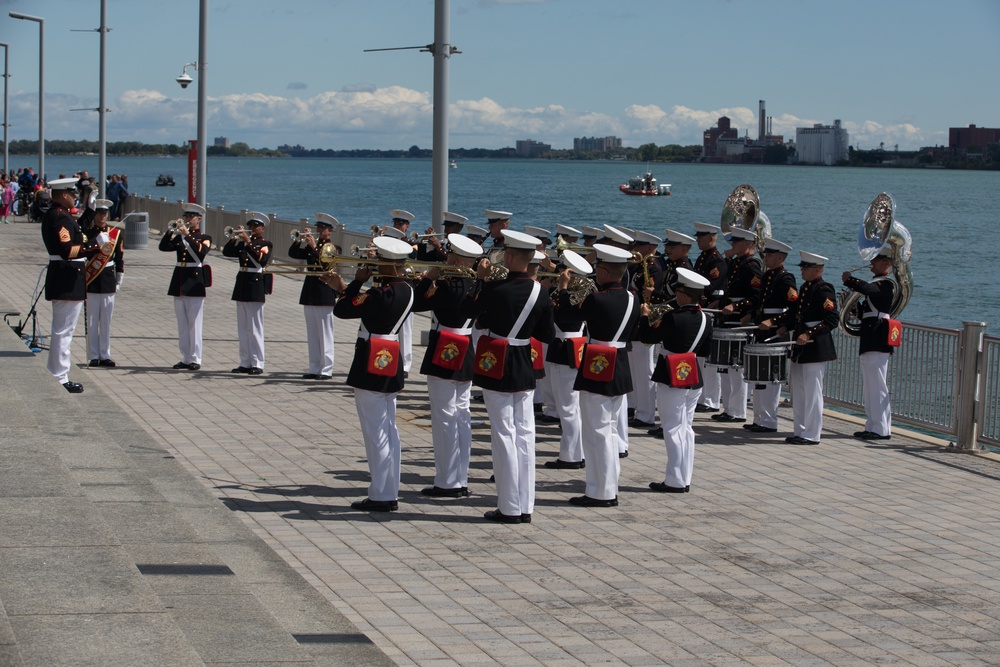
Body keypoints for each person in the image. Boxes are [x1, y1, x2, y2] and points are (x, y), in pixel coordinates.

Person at [463, 229, 554, 524]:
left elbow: (469, 312)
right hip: (524, 361)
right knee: (525, 433)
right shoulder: (542, 291)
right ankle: (525, 504)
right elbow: (546, 334)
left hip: (498, 361)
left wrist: (479, 278)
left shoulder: (494, 288)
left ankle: (509, 506)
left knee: (503, 433)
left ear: (511, 256)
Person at [324, 236, 416, 512]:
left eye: (378, 262)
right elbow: (363, 306)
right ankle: (388, 490)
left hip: (371, 359)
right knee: (389, 428)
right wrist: (348, 287)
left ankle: (381, 495)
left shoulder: (379, 293)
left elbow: (342, 310)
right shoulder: (407, 290)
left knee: (375, 431)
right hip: (391, 356)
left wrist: (352, 283)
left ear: (386, 265)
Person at [559, 243, 639, 508]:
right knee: (610, 429)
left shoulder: (597, 298)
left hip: (599, 363)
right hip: (621, 365)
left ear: (604, 271)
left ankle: (601, 492)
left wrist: (562, 289)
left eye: (598, 268)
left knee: (597, 431)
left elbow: (566, 316)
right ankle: (608, 484)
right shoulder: (632, 298)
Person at [412, 234, 484, 498]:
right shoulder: (478, 286)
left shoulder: (446, 285)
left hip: (444, 347)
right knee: (462, 415)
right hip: (466, 349)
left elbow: (417, 303)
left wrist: (429, 278)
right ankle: (460, 478)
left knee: (443, 417)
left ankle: (446, 481)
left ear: (454, 258)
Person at [639, 267, 713, 493]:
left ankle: (675, 480)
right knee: (686, 429)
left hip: (671, 373)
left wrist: (644, 316)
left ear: (683, 294)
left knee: (672, 428)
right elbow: (705, 350)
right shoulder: (706, 319)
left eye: (678, 291)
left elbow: (647, 338)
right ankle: (683, 477)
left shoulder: (673, 316)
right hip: (692, 374)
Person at [766, 251, 839, 445]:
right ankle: (800, 430)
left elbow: (832, 319)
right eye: (802, 267)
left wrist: (809, 334)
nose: (802, 271)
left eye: (805, 268)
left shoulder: (824, 289)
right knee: (798, 391)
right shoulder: (807, 288)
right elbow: (797, 315)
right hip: (800, 348)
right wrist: (784, 326)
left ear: (818, 269)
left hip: (814, 348)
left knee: (813, 392)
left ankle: (812, 433)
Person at [729, 238, 799, 433]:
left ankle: (769, 420)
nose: (765, 257)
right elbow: (759, 301)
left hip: (775, 334)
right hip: (761, 330)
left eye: (769, 255)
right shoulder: (768, 277)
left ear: (779, 257)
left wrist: (776, 323)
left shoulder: (786, 279)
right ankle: (759, 418)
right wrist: (750, 315)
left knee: (771, 379)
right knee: (759, 378)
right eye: (765, 254)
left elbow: (793, 310)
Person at [41, 178, 101, 392]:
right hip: (67, 277)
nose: (75, 196)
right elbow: (68, 250)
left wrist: (91, 209)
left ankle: (57, 372)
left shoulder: (61, 216)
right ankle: (59, 375)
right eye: (72, 193)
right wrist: (94, 247)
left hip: (67, 277)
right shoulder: (59, 218)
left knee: (64, 329)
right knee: (64, 330)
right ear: (63, 194)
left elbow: (79, 231)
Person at [541, 250, 592, 470]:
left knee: (568, 407)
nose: (559, 275)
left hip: (566, 350)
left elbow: (562, 314)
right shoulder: (576, 295)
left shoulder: (572, 297)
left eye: (563, 272)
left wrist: (561, 288)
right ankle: (574, 451)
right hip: (565, 349)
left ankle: (572, 455)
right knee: (569, 406)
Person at [843, 247, 896, 441]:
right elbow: (864, 312)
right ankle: (873, 425)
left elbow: (868, 289)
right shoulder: (877, 284)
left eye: (876, 259)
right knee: (870, 386)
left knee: (877, 385)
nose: (871, 262)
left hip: (878, 337)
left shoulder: (887, 283)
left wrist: (850, 280)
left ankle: (882, 428)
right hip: (870, 336)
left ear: (887, 263)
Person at [712, 227, 762, 423]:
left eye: (737, 242)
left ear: (748, 244)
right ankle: (729, 408)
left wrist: (737, 306)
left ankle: (738, 410)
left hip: (738, 320)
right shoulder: (736, 263)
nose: (733, 245)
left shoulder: (751, 266)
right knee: (726, 366)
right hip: (728, 318)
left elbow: (756, 296)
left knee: (736, 367)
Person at [159, 202, 211, 370]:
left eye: (191, 217)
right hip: (180, 281)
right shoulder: (180, 237)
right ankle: (186, 357)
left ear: (199, 219)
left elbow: (200, 253)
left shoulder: (204, 238)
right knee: (182, 323)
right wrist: (170, 231)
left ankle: (196, 358)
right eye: (186, 216)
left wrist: (187, 235)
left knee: (194, 323)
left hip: (195, 281)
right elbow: (163, 247)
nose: (188, 219)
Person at [288, 213, 340, 379]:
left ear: (330, 230)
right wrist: (299, 239)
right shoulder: (313, 245)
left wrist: (314, 247)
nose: (319, 230)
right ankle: (314, 367)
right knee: (312, 333)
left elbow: (327, 264)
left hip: (325, 291)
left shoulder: (334, 247)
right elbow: (293, 254)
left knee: (325, 332)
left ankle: (327, 369)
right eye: (318, 227)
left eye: (323, 228)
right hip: (310, 291)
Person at [223, 212, 273, 375]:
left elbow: (261, 260)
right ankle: (245, 361)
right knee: (243, 327)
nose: (252, 229)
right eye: (250, 226)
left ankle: (258, 362)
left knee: (255, 327)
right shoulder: (244, 244)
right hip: (242, 283)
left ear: (262, 229)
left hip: (255, 284)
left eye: (255, 226)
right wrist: (234, 238)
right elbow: (227, 252)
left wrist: (248, 241)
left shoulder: (265, 243)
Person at [627, 230, 664, 430]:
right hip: (635, 322)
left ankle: (646, 413)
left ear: (649, 248)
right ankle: (634, 406)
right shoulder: (637, 266)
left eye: (639, 246)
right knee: (635, 369)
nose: (635, 249)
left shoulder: (654, 268)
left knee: (644, 371)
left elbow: (647, 294)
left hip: (645, 322)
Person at [82, 199, 124, 367]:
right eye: (99, 213)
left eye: (104, 213)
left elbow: (119, 258)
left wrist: (119, 278)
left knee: (106, 320)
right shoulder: (87, 233)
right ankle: (93, 355)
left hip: (107, 278)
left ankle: (105, 354)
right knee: (92, 320)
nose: (102, 216)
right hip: (92, 279)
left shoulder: (116, 234)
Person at [692, 222, 727, 413]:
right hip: (702, 309)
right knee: (700, 358)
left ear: (712, 238)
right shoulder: (703, 258)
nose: (698, 239)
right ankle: (703, 396)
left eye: (701, 237)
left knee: (709, 360)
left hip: (710, 311)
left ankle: (711, 399)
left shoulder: (716, 261)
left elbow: (711, 286)